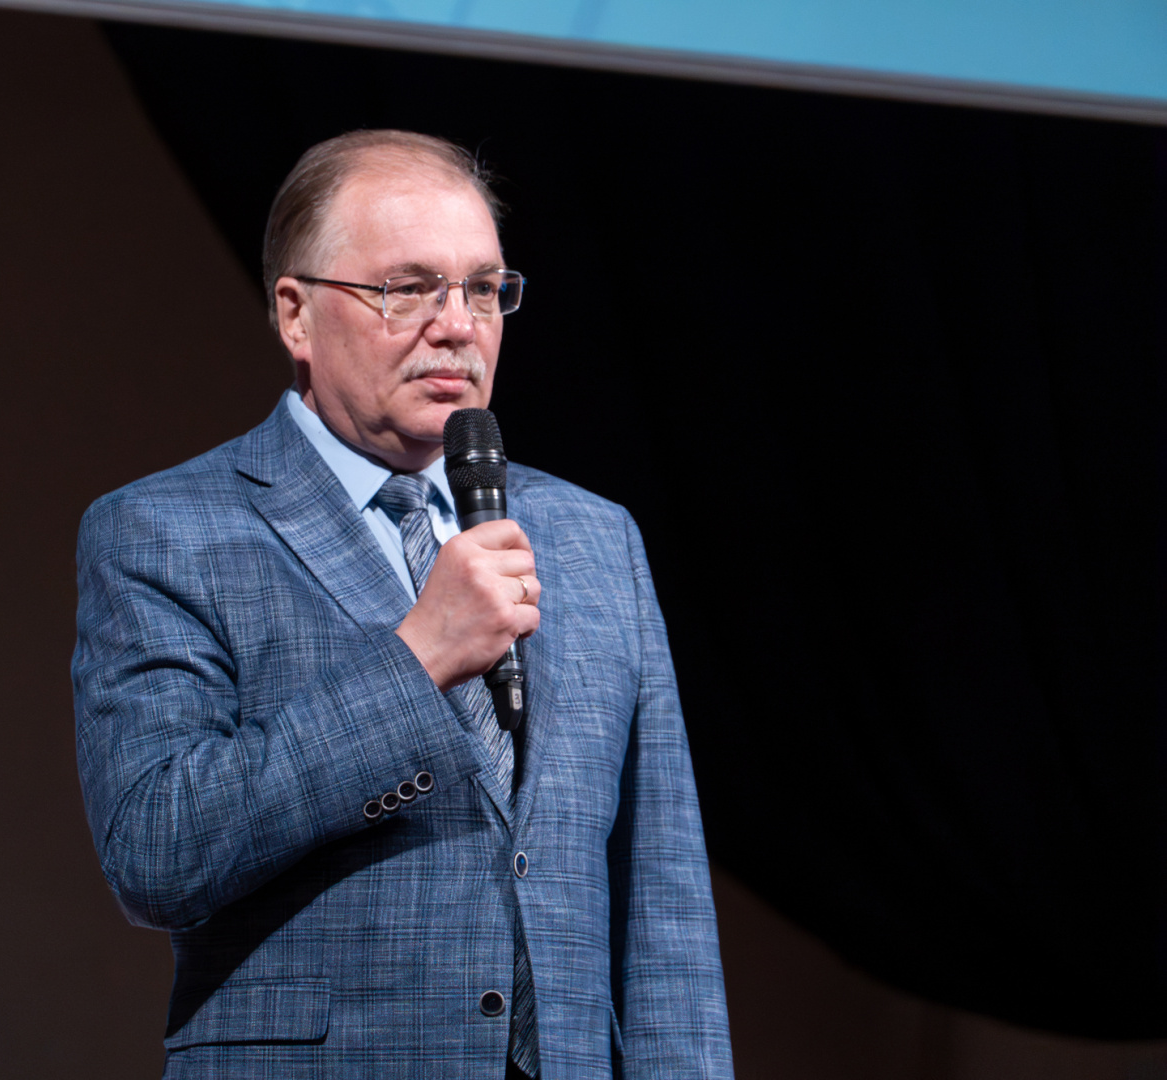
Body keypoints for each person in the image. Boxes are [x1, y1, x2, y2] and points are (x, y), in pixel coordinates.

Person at [73, 130, 732, 1079]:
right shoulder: (167, 530)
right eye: (408, 288)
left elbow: (662, 904)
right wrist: (417, 659)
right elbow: (156, 851)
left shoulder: (595, 538)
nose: (457, 325)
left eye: (483, 289)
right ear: (296, 315)